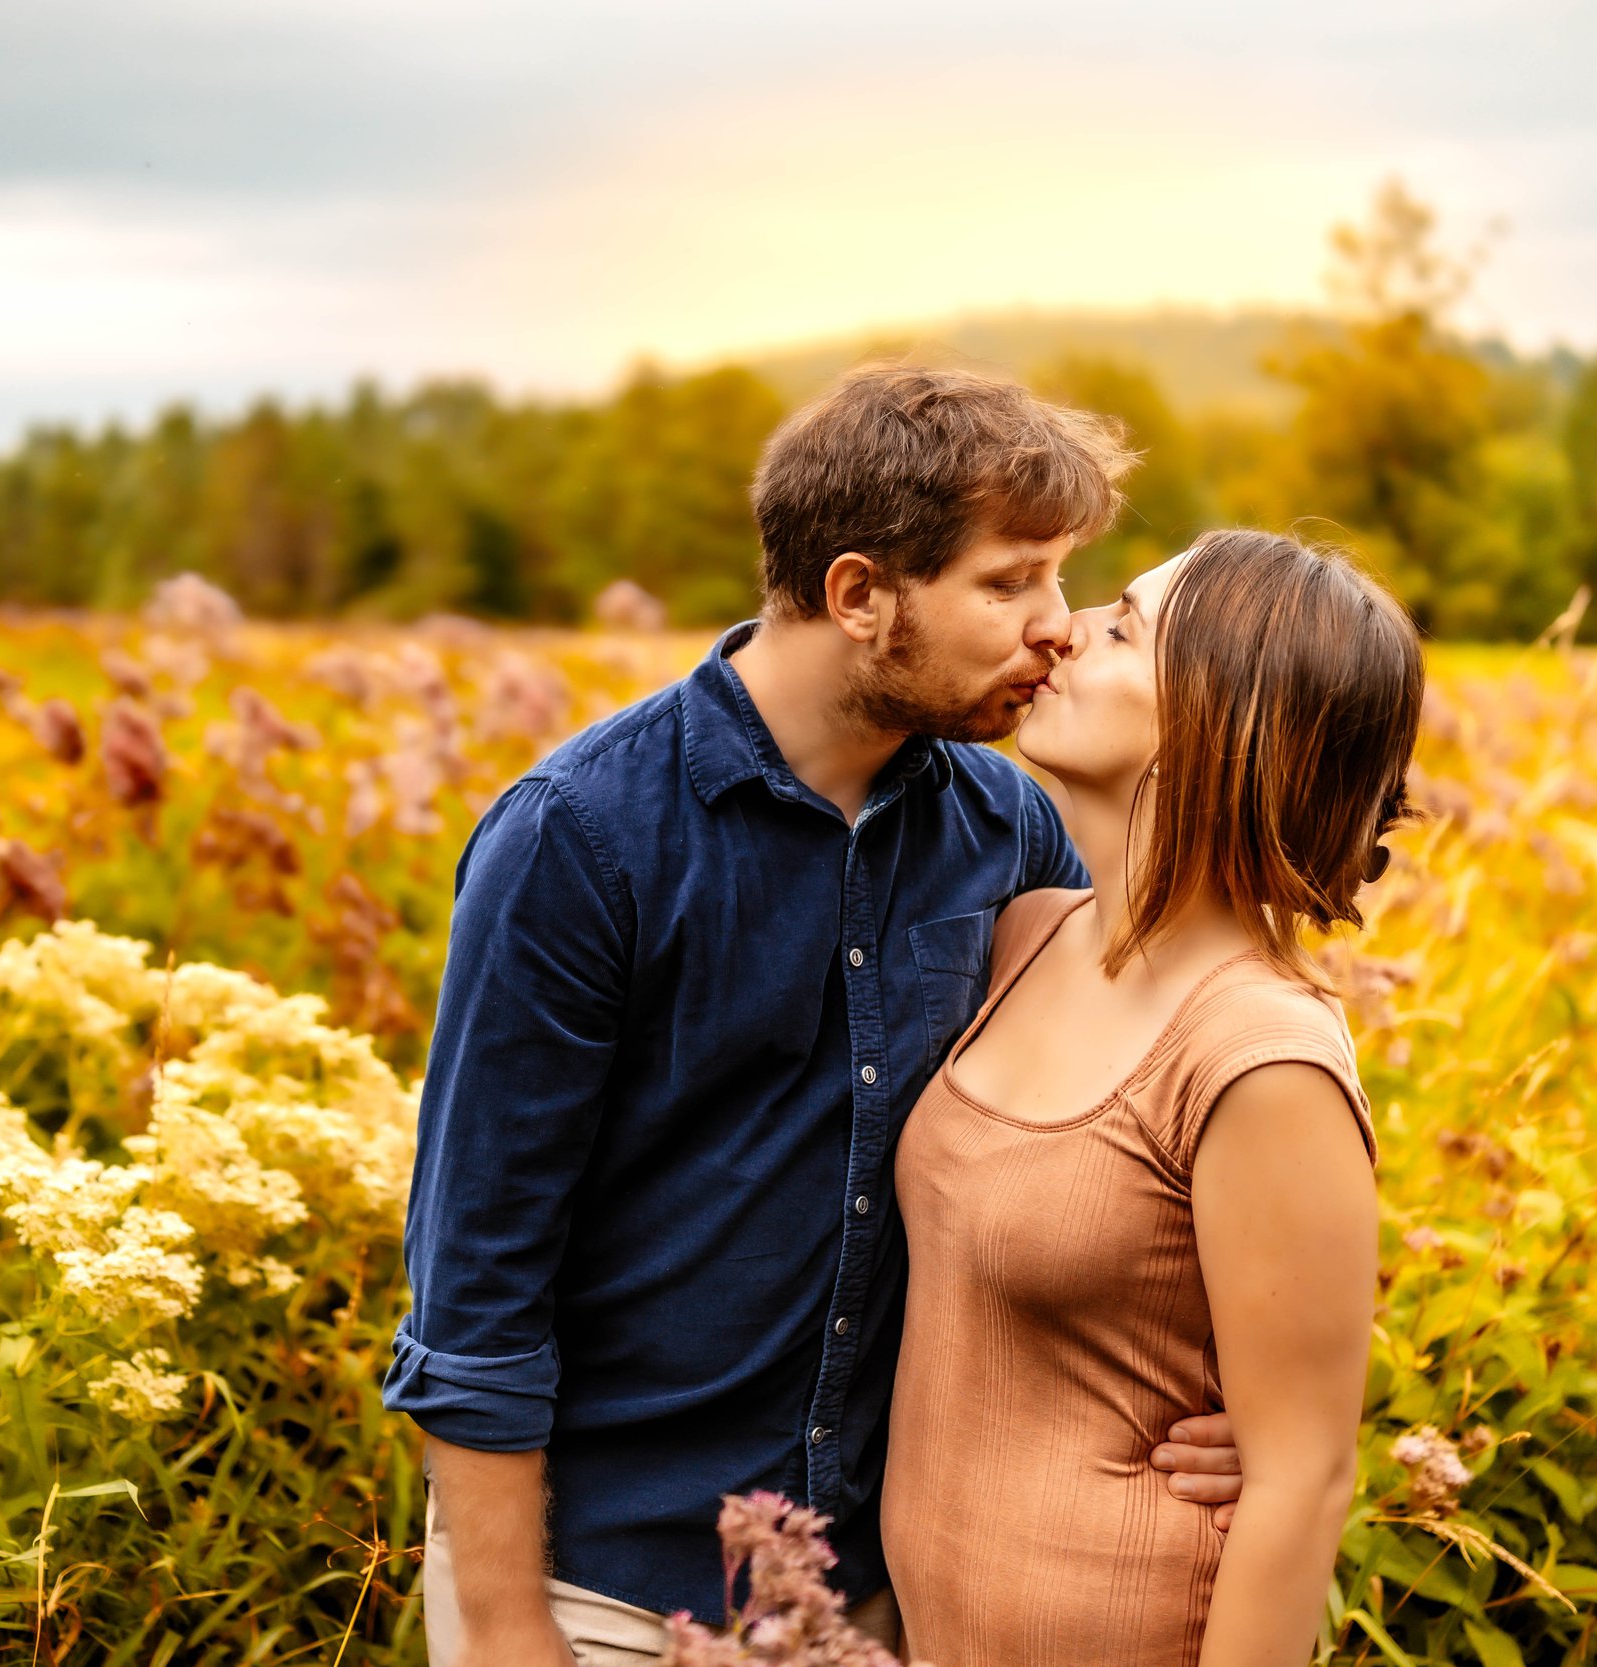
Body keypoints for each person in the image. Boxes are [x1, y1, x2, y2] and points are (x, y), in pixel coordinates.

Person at [383, 365, 1253, 1667]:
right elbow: (478, 1288)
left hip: (865, 1590)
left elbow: (1107, 1145)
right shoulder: (582, 839)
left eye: (1064, 579)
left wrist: (1239, 1390)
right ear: (859, 595)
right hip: (601, 1588)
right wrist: (508, 1630)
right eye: (1010, 581)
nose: (1057, 627)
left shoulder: (1003, 826)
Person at [882, 529, 1422, 1667]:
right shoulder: (1024, 937)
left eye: (1123, 625)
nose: (1061, 629)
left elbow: (1300, 1481)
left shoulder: (1260, 1056)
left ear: (1224, 721)